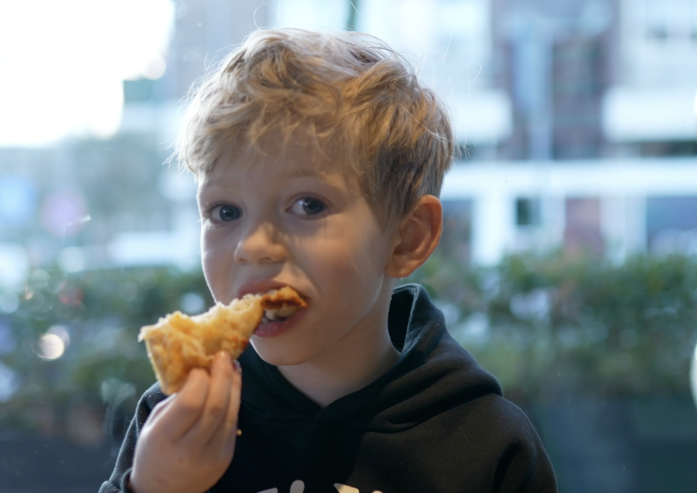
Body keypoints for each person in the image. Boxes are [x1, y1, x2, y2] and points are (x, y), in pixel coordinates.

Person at [100, 28, 557, 493]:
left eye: (308, 206)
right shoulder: (175, 424)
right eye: (225, 212)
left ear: (406, 239)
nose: (251, 246)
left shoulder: (485, 446)